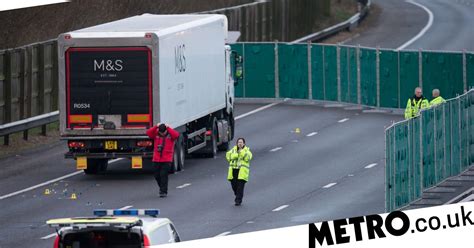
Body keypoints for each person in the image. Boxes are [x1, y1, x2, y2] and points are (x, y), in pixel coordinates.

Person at [146, 123, 180, 197]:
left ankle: (163, 191)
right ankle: (162, 187)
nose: (162, 134)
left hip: (167, 159)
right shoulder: (156, 134)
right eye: (160, 132)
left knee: (163, 175)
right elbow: (148, 133)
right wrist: (156, 126)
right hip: (156, 159)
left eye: (163, 132)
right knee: (156, 175)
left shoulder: (170, 135)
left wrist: (168, 128)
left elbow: (177, 135)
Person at [226, 138, 253, 206]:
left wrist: (241, 152)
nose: (240, 143)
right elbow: (228, 156)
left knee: (240, 187)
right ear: (237, 143)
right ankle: (238, 195)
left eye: (241, 142)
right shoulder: (233, 150)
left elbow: (247, 158)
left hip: (242, 172)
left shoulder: (247, 151)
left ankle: (238, 201)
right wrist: (236, 155)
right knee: (234, 186)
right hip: (233, 171)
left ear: (244, 144)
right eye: (238, 142)